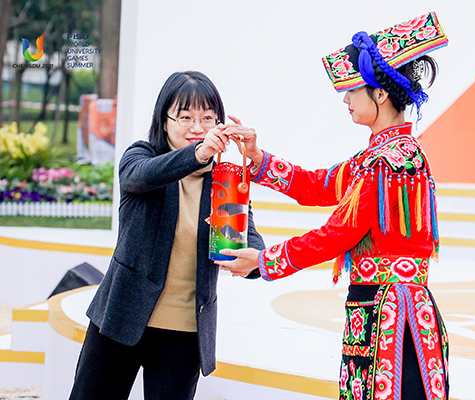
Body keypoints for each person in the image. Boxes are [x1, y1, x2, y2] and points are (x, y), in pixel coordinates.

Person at [218, 12, 449, 400]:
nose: (345, 98)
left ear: (380, 93)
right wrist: (257, 159)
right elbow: (319, 185)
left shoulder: (392, 161)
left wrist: (263, 262)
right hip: (377, 307)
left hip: (392, 317)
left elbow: (337, 234)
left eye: (353, 89)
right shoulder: (380, 155)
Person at [69, 71, 265, 400]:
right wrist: (198, 155)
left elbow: (248, 242)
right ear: (164, 120)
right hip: (121, 318)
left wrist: (256, 261)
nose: (198, 127)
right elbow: (141, 177)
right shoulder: (140, 157)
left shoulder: (225, 181)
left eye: (207, 117)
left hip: (184, 332)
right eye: (185, 116)